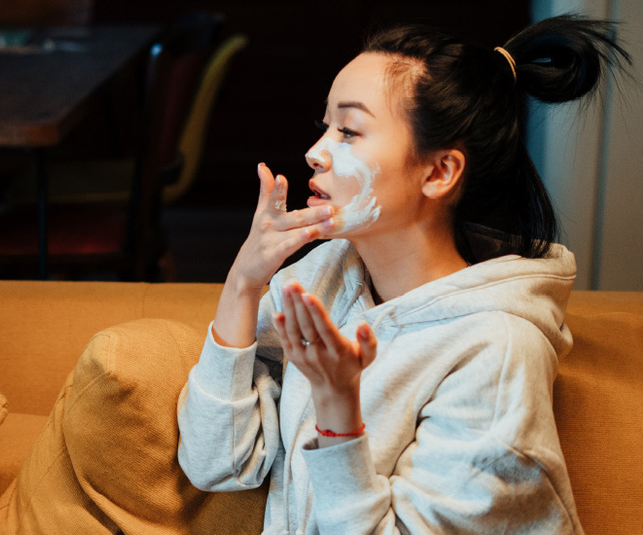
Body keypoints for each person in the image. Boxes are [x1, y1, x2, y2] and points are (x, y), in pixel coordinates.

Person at [177, 15, 629, 534]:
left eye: (348, 130)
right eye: (325, 125)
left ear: (439, 173)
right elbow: (217, 464)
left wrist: (337, 411)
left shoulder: (497, 351)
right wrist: (242, 283)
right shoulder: (328, 275)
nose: (315, 151)